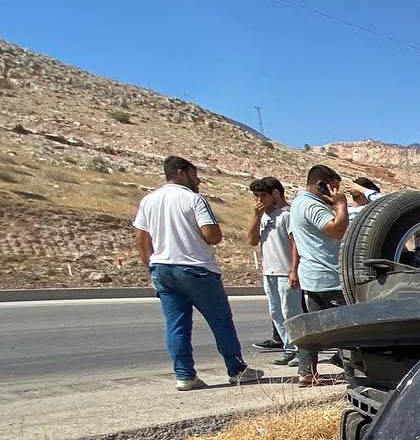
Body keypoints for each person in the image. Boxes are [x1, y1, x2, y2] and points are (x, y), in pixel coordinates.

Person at [133, 156, 264, 390]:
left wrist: (151, 266)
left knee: (177, 325)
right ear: (181, 173)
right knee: (220, 321)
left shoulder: (149, 201)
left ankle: (184, 375)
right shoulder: (193, 199)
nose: (198, 180)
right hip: (196, 269)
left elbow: (141, 238)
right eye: (194, 175)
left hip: (162, 269)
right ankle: (237, 370)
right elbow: (212, 236)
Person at [289, 165, 361, 386]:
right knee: (347, 328)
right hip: (329, 277)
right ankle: (353, 373)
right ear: (321, 184)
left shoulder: (299, 203)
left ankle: (307, 372)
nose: (335, 192)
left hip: (313, 276)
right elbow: (337, 230)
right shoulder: (311, 205)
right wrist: (341, 204)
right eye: (333, 187)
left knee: (314, 327)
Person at [247, 177, 302, 365]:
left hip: (285, 271)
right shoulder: (262, 218)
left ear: (273, 195)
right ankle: (289, 347)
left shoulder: (285, 216)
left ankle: (300, 350)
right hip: (269, 272)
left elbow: (295, 244)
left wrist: (294, 270)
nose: (259, 200)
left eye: (263, 195)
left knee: (291, 313)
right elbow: (252, 240)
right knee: (276, 312)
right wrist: (256, 217)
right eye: (256, 196)